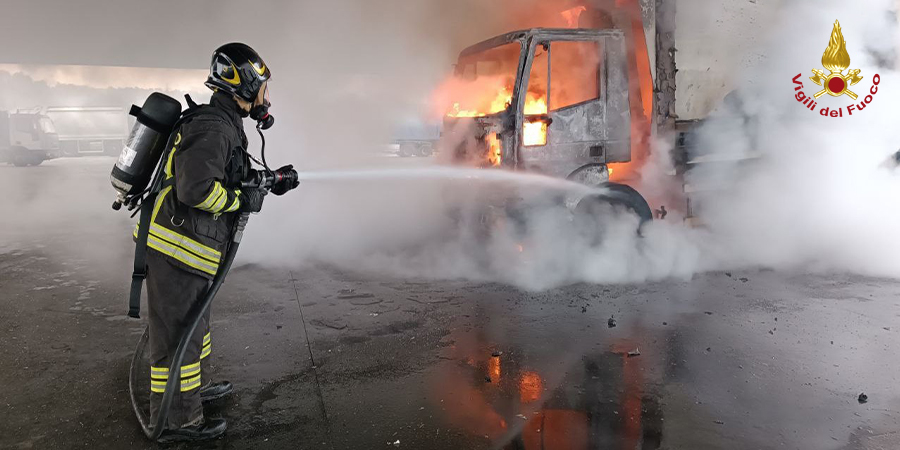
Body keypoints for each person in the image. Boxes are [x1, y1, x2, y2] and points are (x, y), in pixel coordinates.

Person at [140, 43, 297, 443]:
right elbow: (196, 189)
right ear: (243, 85)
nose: (266, 97)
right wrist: (241, 200)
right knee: (179, 334)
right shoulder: (214, 126)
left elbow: (228, 174)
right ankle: (177, 421)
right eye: (261, 87)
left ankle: (194, 391)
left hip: (189, 247)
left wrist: (269, 181)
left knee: (195, 326)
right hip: (178, 247)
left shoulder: (223, 122)